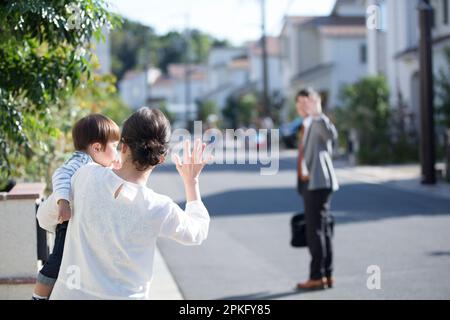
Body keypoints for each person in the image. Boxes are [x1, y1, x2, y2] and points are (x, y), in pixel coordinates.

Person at [37, 107, 211, 299]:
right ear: (161, 158)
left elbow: (44, 219)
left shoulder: (84, 175)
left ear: (123, 146)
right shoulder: (158, 207)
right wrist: (191, 182)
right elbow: (197, 233)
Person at [33, 114, 121, 300]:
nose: (118, 151)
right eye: (115, 146)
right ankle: (38, 297)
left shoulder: (97, 166)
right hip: (67, 222)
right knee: (56, 263)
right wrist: (63, 203)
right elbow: (61, 175)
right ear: (97, 147)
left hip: (79, 222)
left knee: (73, 264)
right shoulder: (81, 161)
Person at [295, 88, 339, 290]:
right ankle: (327, 274)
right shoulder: (304, 125)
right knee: (322, 229)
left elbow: (331, 136)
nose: (303, 106)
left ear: (316, 103)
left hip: (318, 183)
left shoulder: (317, 122)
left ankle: (317, 276)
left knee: (315, 231)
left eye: (308, 102)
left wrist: (318, 114)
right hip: (309, 182)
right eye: (300, 103)